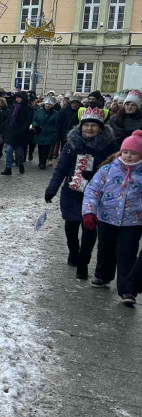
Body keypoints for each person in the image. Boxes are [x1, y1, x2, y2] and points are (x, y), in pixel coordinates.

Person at [45, 108, 116, 280]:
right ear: (81, 127)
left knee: (89, 229)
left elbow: (113, 171)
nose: (90, 128)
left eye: (94, 125)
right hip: (71, 192)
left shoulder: (109, 147)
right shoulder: (71, 145)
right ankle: (73, 251)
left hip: (94, 195)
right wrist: (52, 188)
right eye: (87, 125)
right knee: (70, 226)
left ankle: (83, 263)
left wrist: (96, 175)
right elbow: (61, 168)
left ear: (100, 128)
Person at [82, 130, 142, 306]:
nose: (129, 156)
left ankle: (127, 290)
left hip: (133, 221)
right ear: (120, 152)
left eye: (134, 153)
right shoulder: (108, 169)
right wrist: (89, 211)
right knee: (106, 248)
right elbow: (93, 190)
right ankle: (103, 275)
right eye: (126, 152)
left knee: (127, 254)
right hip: (107, 218)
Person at [1, 91, 32, 175]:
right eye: (16, 97)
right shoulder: (14, 106)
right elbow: (10, 117)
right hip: (11, 132)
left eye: (19, 97)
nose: (17, 99)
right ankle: (8, 168)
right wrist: (6, 126)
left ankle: (20, 164)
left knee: (19, 152)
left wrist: (21, 130)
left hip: (20, 133)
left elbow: (28, 121)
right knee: (9, 150)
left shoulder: (28, 107)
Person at [32, 96, 60, 170]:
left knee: (46, 149)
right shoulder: (39, 111)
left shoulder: (56, 114)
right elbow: (34, 120)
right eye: (47, 104)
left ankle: (43, 163)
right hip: (40, 133)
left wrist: (54, 132)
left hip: (49, 134)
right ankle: (40, 161)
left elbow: (57, 124)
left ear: (53, 105)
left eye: (50, 104)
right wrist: (35, 125)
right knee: (40, 148)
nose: (48, 105)